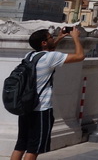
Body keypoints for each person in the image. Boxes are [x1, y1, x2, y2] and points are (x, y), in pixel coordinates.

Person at [11, 26, 85, 160]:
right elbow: (80, 56)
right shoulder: (50, 57)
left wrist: (59, 38)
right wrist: (75, 38)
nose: (52, 38)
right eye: (50, 37)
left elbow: (48, 52)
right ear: (44, 43)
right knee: (35, 147)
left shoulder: (30, 56)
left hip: (25, 106)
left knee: (21, 144)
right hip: (41, 109)